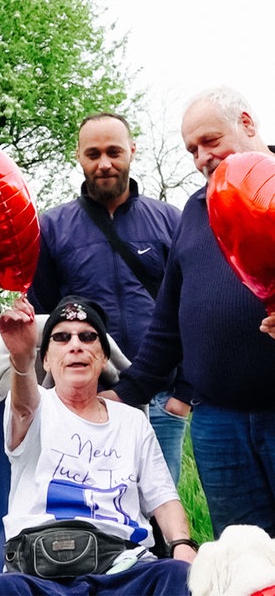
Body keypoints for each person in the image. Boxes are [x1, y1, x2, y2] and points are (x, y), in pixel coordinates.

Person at [107, 86, 275, 539]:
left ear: (247, 123)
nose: (202, 157)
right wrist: (126, 392)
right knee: (244, 561)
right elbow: (168, 320)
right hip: (217, 423)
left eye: (210, 141)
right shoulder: (197, 210)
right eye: (192, 150)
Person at [0, 295, 197, 596]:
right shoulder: (35, 408)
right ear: (45, 359)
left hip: (125, 569)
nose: (75, 346)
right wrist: (21, 360)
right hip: (43, 574)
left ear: (104, 356)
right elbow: (23, 409)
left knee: (176, 573)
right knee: (4, 588)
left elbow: (162, 496)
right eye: (61, 338)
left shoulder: (132, 421)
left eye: (88, 337)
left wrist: (182, 545)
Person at [27, 112, 187, 484]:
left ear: (132, 150)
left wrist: (185, 394)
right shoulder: (51, 228)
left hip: (163, 396)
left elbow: (191, 311)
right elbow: (43, 317)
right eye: (93, 154)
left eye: (114, 152)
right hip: (87, 397)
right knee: (97, 512)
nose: (104, 164)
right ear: (78, 157)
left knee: (162, 508)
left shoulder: (170, 221)